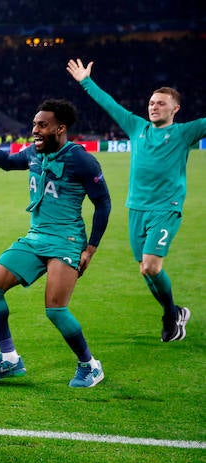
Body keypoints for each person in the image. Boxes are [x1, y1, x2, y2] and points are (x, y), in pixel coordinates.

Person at [0, 99, 112, 388]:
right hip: (35, 237)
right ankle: (9, 358)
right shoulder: (34, 153)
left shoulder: (81, 159)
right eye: (34, 123)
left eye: (42, 125)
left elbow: (103, 202)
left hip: (67, 240)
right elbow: (5, 162)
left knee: (55, 310)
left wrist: (91, 247)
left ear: (60, 128)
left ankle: (90, 365)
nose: (34, 129)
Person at [67, 58, 206, 342]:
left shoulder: (184, 133)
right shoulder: (136, 127)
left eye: (161, 103)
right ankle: (174, 311)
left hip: (165, 209)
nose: (154, 106)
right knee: (146, 271)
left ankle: (169, 316)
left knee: (151, 266)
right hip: (135, 209)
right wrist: (85, 81)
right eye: (152, 102)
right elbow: (110, 105)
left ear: (175, 109)